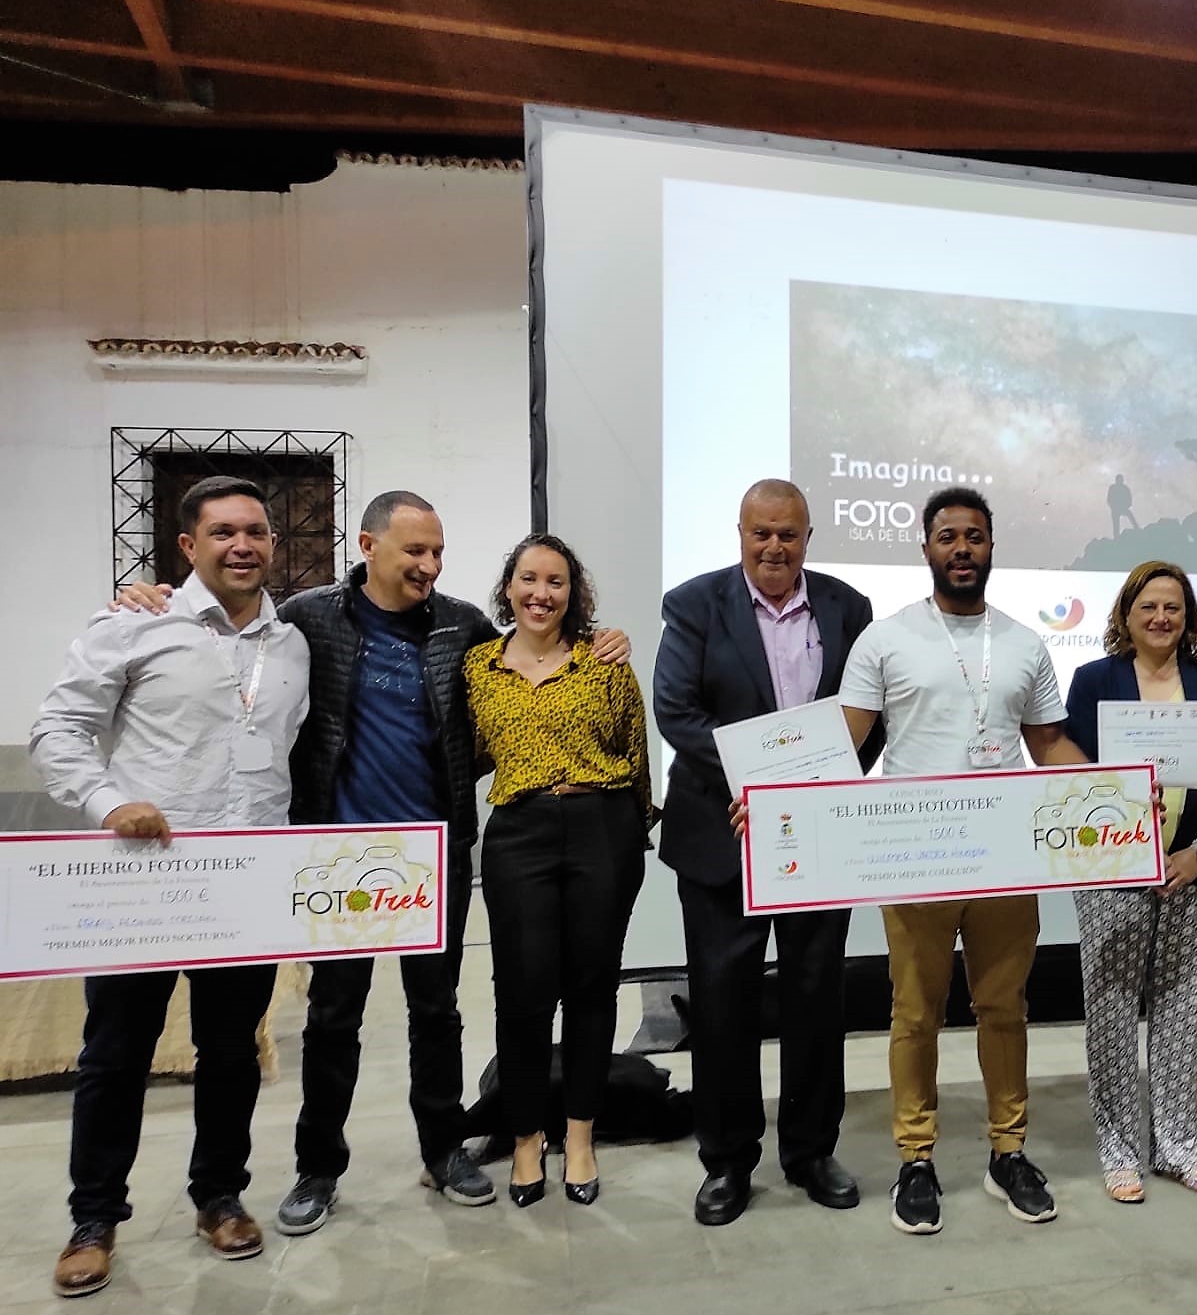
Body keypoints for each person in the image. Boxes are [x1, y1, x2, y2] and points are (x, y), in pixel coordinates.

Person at [112, 491, 632, 1235]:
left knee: (437, 1013)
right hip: (338, 854)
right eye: (412, 551)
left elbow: (531, 660)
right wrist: (149, 597)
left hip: (435, 852)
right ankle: (318, 1166)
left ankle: (443, 1150)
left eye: (437, 553)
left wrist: (606, 638)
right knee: (334, 1016)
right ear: (368, 546)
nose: (428, 565)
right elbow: (230, 624)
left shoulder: (464, 627)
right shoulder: (308, 619)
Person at [30, 476, 311, 1297]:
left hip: (245, 884)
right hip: (143, 884)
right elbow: (59, 727)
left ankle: (219, 1197)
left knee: (230, 1053)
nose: (243, 546)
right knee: (115, 1054)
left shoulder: (289, 644)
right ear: (187, 546)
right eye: (223, 532)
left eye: (256, 531)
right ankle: (94, 1218)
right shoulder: (133, 624)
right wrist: (111, 803)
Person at [835, 485, 1094, 1235]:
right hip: (915, 857)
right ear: (925, 547)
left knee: (1003, 1009)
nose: (961, 549)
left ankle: (1007, 1152)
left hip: (1005, 856)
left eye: (974, 537)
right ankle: (916, 1159)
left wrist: (1113, 797)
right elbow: (845, 744)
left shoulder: (1023, 642)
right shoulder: (885, 639)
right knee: (915, 1014)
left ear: (990, 547)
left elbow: (1048, 745)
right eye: (947, 536)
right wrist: (783, 806)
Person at [653, 479, 883, 1227]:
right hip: (726, 830)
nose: (775, 547)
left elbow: (867, 714)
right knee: (722, 1004)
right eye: (762, 534)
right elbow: (677, 711)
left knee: (818, 996)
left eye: (789, 534)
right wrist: (759, 778)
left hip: (817, 831)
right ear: (741, 534)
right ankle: (726, 1162)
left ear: (809, 536)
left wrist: (824, 782)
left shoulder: (849, 608)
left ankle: (813, 1151)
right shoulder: (694, 606)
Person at [465, 534, 652, 1207]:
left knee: (593, 990)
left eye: (556, 582)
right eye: (528, 579)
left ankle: (579, 1135)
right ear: (508, 588)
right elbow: (475, 753)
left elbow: (635, 749)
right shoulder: (479, 667)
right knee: (522, 993)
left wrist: (636, 832)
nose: (541, 593)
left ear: (575, 594)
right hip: (519, 835)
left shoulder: (604, 663)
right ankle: (524, 1139)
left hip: (604, 828)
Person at [1062, 561, 1197, 1201]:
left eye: (1173, 607)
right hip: (1113, 869)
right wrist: (1124, 842)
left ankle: (1179, 1147)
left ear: (1189, 616)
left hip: (1193, 868)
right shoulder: (1093, 682)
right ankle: (1118, 1152)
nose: (1161, 617)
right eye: (1148, 607)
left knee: (1181, 1011)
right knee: (1110, 1010)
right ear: (1126, 616)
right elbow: (1074, 772)